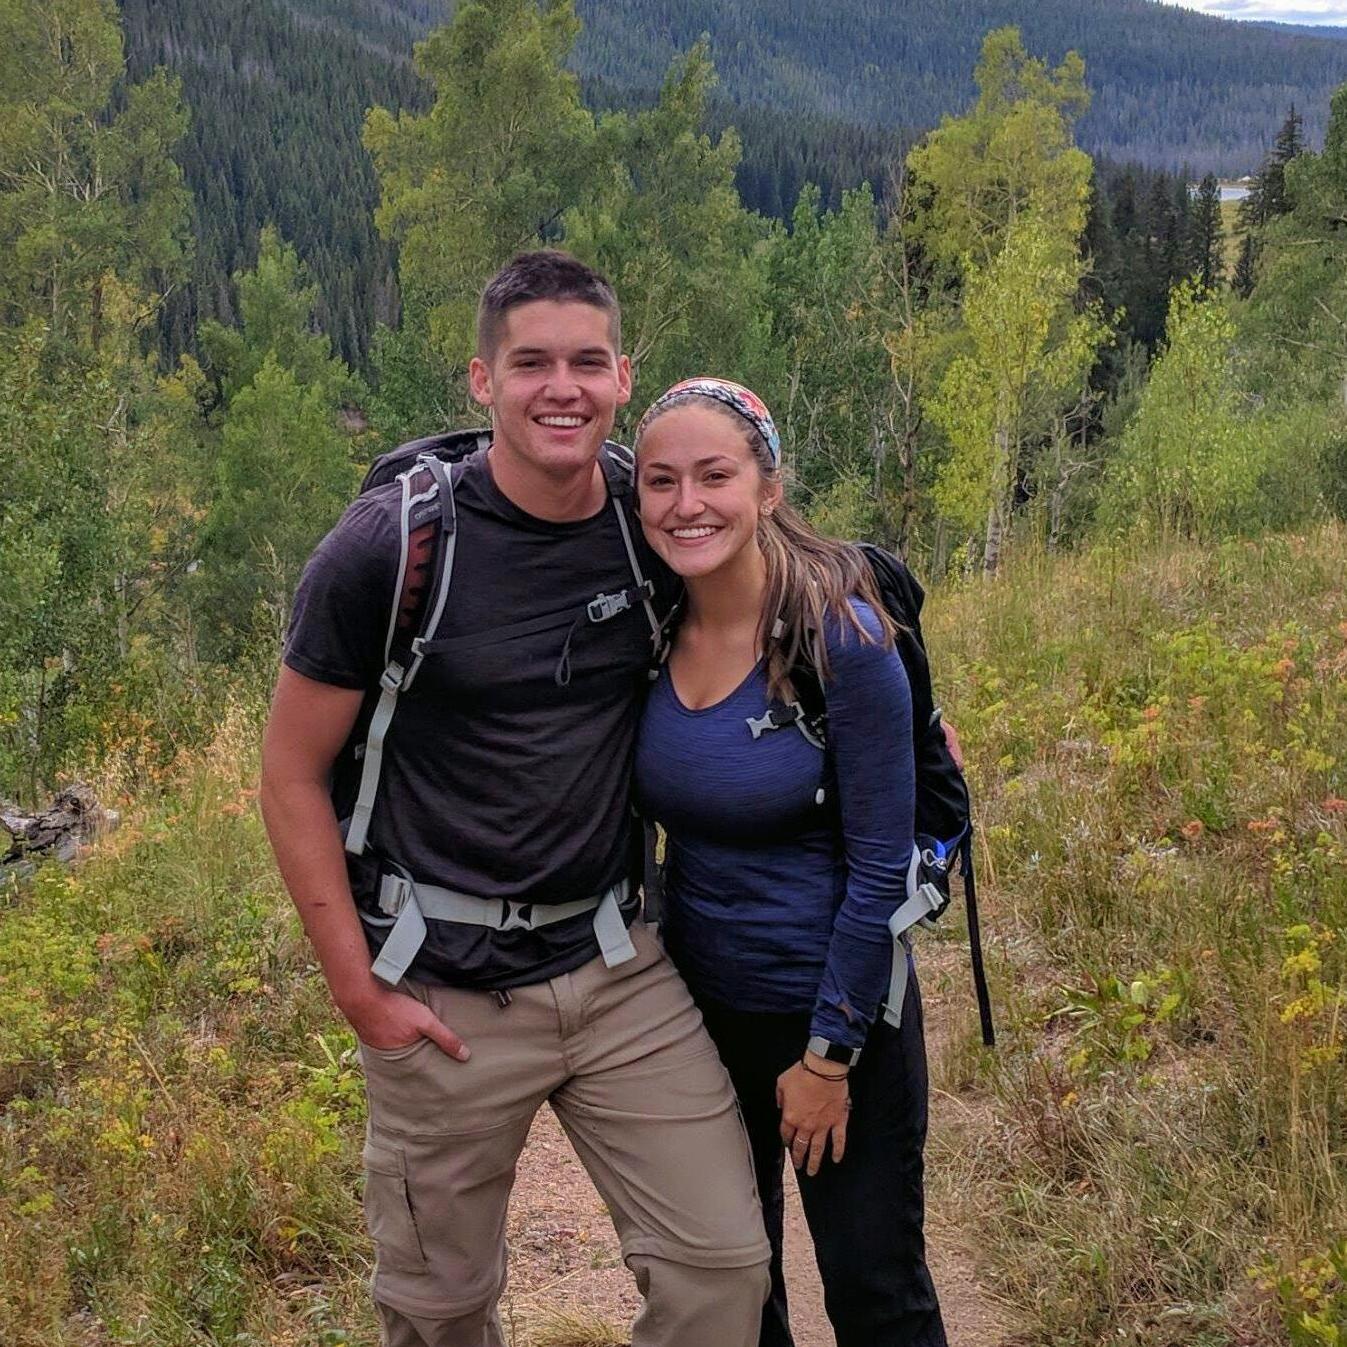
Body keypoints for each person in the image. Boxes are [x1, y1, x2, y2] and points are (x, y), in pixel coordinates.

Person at [260, 255, 771, 1347]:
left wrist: (909, 712)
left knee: (721, 1268)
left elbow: (785, 600)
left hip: (617, 968)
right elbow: (290, 774)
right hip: (440, 994)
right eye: (531, 361)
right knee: (439, 1313)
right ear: (482, 381)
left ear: (624, 375)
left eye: (588, 362)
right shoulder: (389, 549)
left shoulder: (652, 522)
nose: (562, 388)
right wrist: (357, 989)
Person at [632, 378, 948, 1347]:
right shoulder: (648, 631)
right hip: (703, 1026)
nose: (687, 503)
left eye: (715, 475)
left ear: (768, 488)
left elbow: (882, 871)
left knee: (874, 1291)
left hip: (838, 1023)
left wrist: (828, 1058)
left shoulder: (843, 637)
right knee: (738, 1291)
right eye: (661, 481)